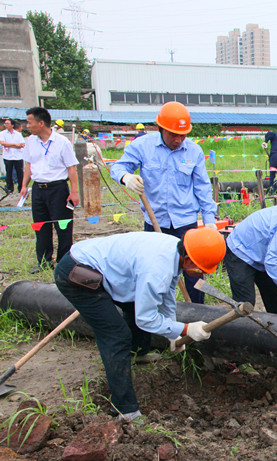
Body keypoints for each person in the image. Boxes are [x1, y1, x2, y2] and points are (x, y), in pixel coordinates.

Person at [54, 227, 227, 423]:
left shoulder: (175, 251)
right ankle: (125, 410)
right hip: (77, 273)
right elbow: (145, 318)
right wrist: (185, 329)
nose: (200, 273)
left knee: (135, 306)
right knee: (115, 335)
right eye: (200, 269)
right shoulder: (157, 269)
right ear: (188, 259)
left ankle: (139, 353)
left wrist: (172, 331)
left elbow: (167, 294)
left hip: (103, 268)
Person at [111, 101, 217, 304]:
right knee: (155, 271)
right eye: (173, 134)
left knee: (193, 272)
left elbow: (202, 187)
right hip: (155, 221)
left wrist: (209, 220)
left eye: (182, 135)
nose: (178, 140)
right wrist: (126, 177)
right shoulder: (143, 146)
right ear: (160, 129)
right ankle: (157, 311)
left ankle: (196, 310)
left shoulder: (193, 151)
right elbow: (118, 167)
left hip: (186, 224)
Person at [20, 107, 80, 274]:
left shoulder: (62, 142)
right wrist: (24, 186)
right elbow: (28, 165)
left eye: (29, 122)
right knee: (41, 227)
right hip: (38, 189)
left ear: (41, 123)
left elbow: (71, 168)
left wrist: (74, 192)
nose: (27, 126)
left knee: (63, 227)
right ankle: (44, 262)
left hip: (58, 189)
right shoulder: (30, 141)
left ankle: (63, 262)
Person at [0, 118, 25, 194]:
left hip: (18, 156)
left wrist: (9, 145)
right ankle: (10, 188)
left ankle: (21, 188)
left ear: (12, 125)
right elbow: (3, 143)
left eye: (7, 123)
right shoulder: (2, 133)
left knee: (20, 173)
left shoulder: (18, 134)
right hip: (8, 156)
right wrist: (15, 144)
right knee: (9, 172)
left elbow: (21, 144)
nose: (5, 125)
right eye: (5, 123)